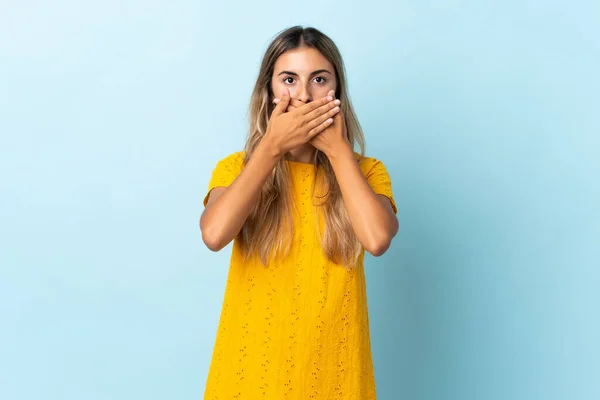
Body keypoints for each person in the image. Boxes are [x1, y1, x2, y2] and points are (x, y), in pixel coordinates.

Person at [200, 25, 398, 400]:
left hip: (336, 382)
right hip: (247, 381)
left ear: (337, 91)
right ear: (269, 90)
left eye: (319, 80)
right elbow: (214, 235)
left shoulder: (368, 172)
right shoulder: (235, 169)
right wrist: (271, 148)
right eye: (289, 79)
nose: (304, 96)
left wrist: (339, 152)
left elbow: (376, 239)